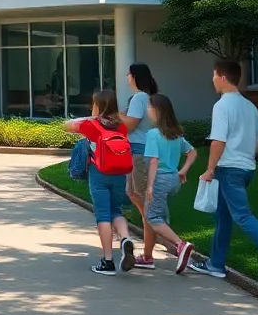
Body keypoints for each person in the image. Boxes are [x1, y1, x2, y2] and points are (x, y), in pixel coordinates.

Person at [190, 59, 258, 285]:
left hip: (229, 170)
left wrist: (209, 169)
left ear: (223, 77)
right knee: (223, 216)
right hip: (246, 169)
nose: (212, 80)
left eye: (214, 75)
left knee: (241, 215)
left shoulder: (222, 105)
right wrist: (247, 153)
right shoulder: (249, 105)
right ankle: (215, 265)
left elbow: (218, 140)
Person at [66, 90, 136, 275]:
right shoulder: (121, 127)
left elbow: (67, 125)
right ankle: (126, 239)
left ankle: (107, 261)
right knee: (116, 211)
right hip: (120, 173)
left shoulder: (91, 126)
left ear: (97, 106)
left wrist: (92, 117)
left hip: (99, 173)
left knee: (103, 215)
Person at [142, 93, 197, 273]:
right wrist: (183, 170)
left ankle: (181, 245)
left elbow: (153, 162)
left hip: (159, 180)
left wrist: (150, 185)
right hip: (173, 181)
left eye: (149, 108)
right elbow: (193, 153)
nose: (147, 111)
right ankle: (147, 257)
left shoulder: (153, 134)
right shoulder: (176, 134)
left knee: (152, 217)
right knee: (156, 216)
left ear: (157, 111)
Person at [120, 63, 158, 268]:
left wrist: (113, 115)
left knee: (145, 206)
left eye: (128, 74)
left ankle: (176, 244)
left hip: (138, 152)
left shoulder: (139, 98)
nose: (126, 77)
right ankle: (148, 254)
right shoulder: (147, 97)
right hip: (141, 151)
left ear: (134, 76)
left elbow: (129, 125)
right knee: (136, 197)